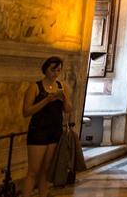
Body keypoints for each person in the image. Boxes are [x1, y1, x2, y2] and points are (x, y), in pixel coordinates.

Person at [22, 56, 72, 197]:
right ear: (46, 69)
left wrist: (64, 98)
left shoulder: (62, 87)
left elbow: (68, 109)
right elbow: (26, 111)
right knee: (33, 171)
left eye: (58, 70)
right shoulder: (35, 87)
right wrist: (47, 100)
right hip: (38, 131)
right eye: (53, 70)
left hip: (55, 131)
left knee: (46, 171)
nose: (56, 73)